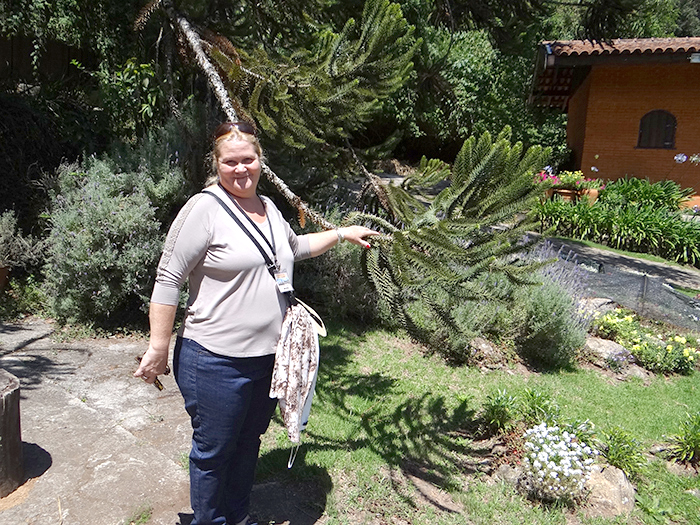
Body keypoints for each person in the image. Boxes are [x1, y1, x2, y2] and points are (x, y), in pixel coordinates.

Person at [134, 121, 378, 525]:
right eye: (230, 162)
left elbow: (295, 248)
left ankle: (238, 517)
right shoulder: (203, 209)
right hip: (214, 360)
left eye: (247, 159)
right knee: (214, 451)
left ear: (260, 161)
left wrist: (341, 233)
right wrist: (158, 347)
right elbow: (168, 278)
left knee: (248, 444)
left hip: (268, 359)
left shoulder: (267, 207)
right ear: (217, 165)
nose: (240, 169)